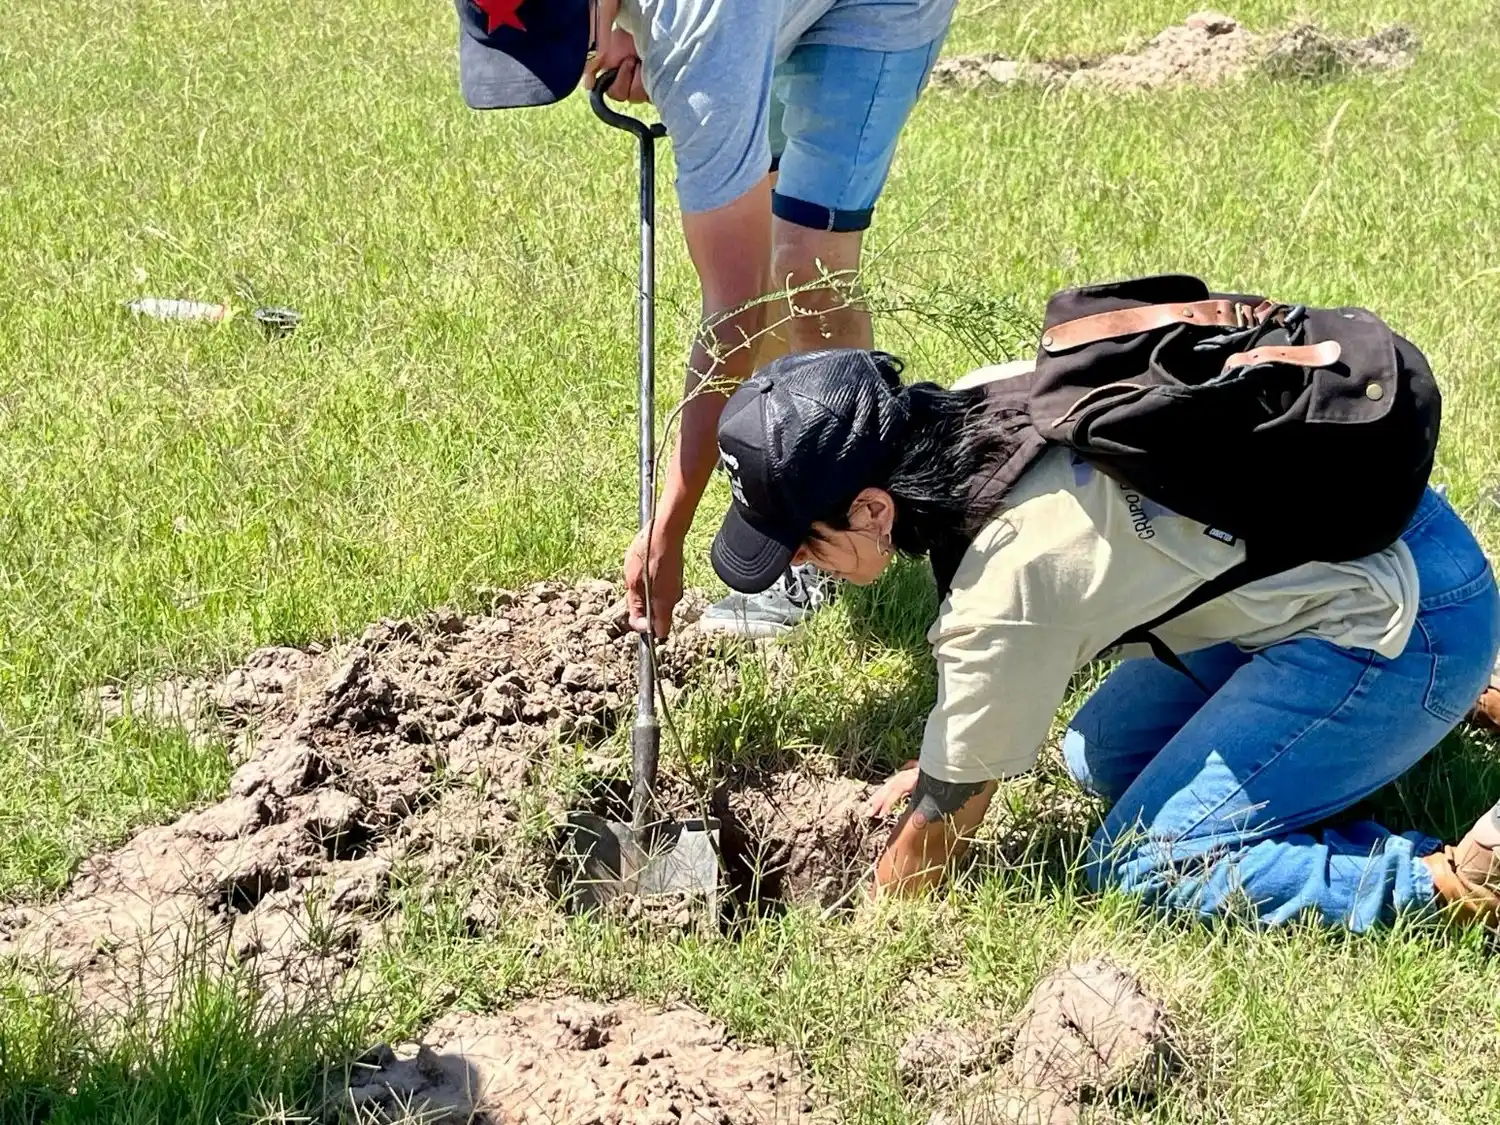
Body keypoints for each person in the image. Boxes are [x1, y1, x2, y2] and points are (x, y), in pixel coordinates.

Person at [708, 347, 1500, 930]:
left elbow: (947, 822)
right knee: (1099, 754)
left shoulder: (1005, 580)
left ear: (874, 510)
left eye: (803, 543)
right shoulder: (976, 409)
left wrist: (876, 915)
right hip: (1367, 545)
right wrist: (948, 756)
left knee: (1137, 865)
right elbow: (1045, 620)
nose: (799, 565)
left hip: (1410, 621)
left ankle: (1446, 883)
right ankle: (1405, 714)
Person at [453, 0, 955, 639]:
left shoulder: (705, 37)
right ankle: (795, 492)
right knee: (762, 222)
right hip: (749, 21)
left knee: (807, 266)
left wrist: (670, 525)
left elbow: (735, 314)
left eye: (568, 50)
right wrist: (616, 32)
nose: (578, 66)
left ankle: (832, 528)